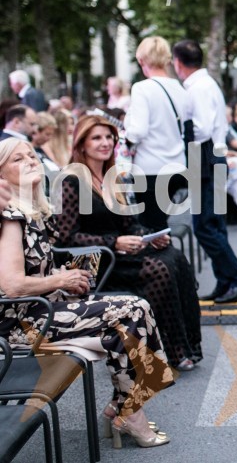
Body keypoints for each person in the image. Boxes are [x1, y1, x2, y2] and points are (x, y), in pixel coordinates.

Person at [0, 137, 172, 448]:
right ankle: (128, 411)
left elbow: (34, 269)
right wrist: (60, 281)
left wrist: (64, 275)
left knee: (138, 307)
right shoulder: (11, 218)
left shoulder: (31, 212)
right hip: (24, 324)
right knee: (130, 311)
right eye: (17, 159)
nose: (30, 161)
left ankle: (124, 406)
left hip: (45, 310)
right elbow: (13, 285)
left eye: (31, 155)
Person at [53, 114, 202, 370]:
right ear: (82, 144)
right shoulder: (71, 181)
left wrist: (149, 236)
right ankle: (163, 351)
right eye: (96, 138)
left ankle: (184, 344)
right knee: (158, 270)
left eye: (109, 137)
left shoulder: (114, 177)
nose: (105, 143)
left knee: (174, 256)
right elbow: (66, 237)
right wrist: (115, 242)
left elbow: (130, 222)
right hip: (94, 259)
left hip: (118, 253)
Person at [171, 39, 237, 304]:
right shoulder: (207, 84)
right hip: (213, 156)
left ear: (178, 62)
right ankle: (226, 280)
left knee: (205, 226)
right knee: (214, 225)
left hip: (204, 156)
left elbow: (202, 129)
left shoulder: (196, 88)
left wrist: (180, 134)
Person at [123, 36, 189, 232]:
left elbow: (138, 131)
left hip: (151, 169)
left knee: (152, 230)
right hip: (177, 166)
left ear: (142, 60)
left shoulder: (142, 88)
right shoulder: (179, 88)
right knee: (160, 224)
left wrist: (126, 135)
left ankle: (163, 262)